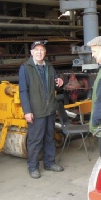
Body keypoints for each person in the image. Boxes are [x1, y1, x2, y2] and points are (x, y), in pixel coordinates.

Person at [19, 41, 64, 179]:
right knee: (35, 140)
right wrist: (27, 111)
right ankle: (33, 167)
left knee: (50, 138)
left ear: (45, 52)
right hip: (36, 110)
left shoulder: (49, 67)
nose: (39, 52)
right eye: (36, 50)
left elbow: (55, 84)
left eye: (42, 50)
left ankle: (49, 163)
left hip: (49, 109)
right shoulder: (25, 68)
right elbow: (23, 91)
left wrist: (60, 82)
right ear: (32, 52)